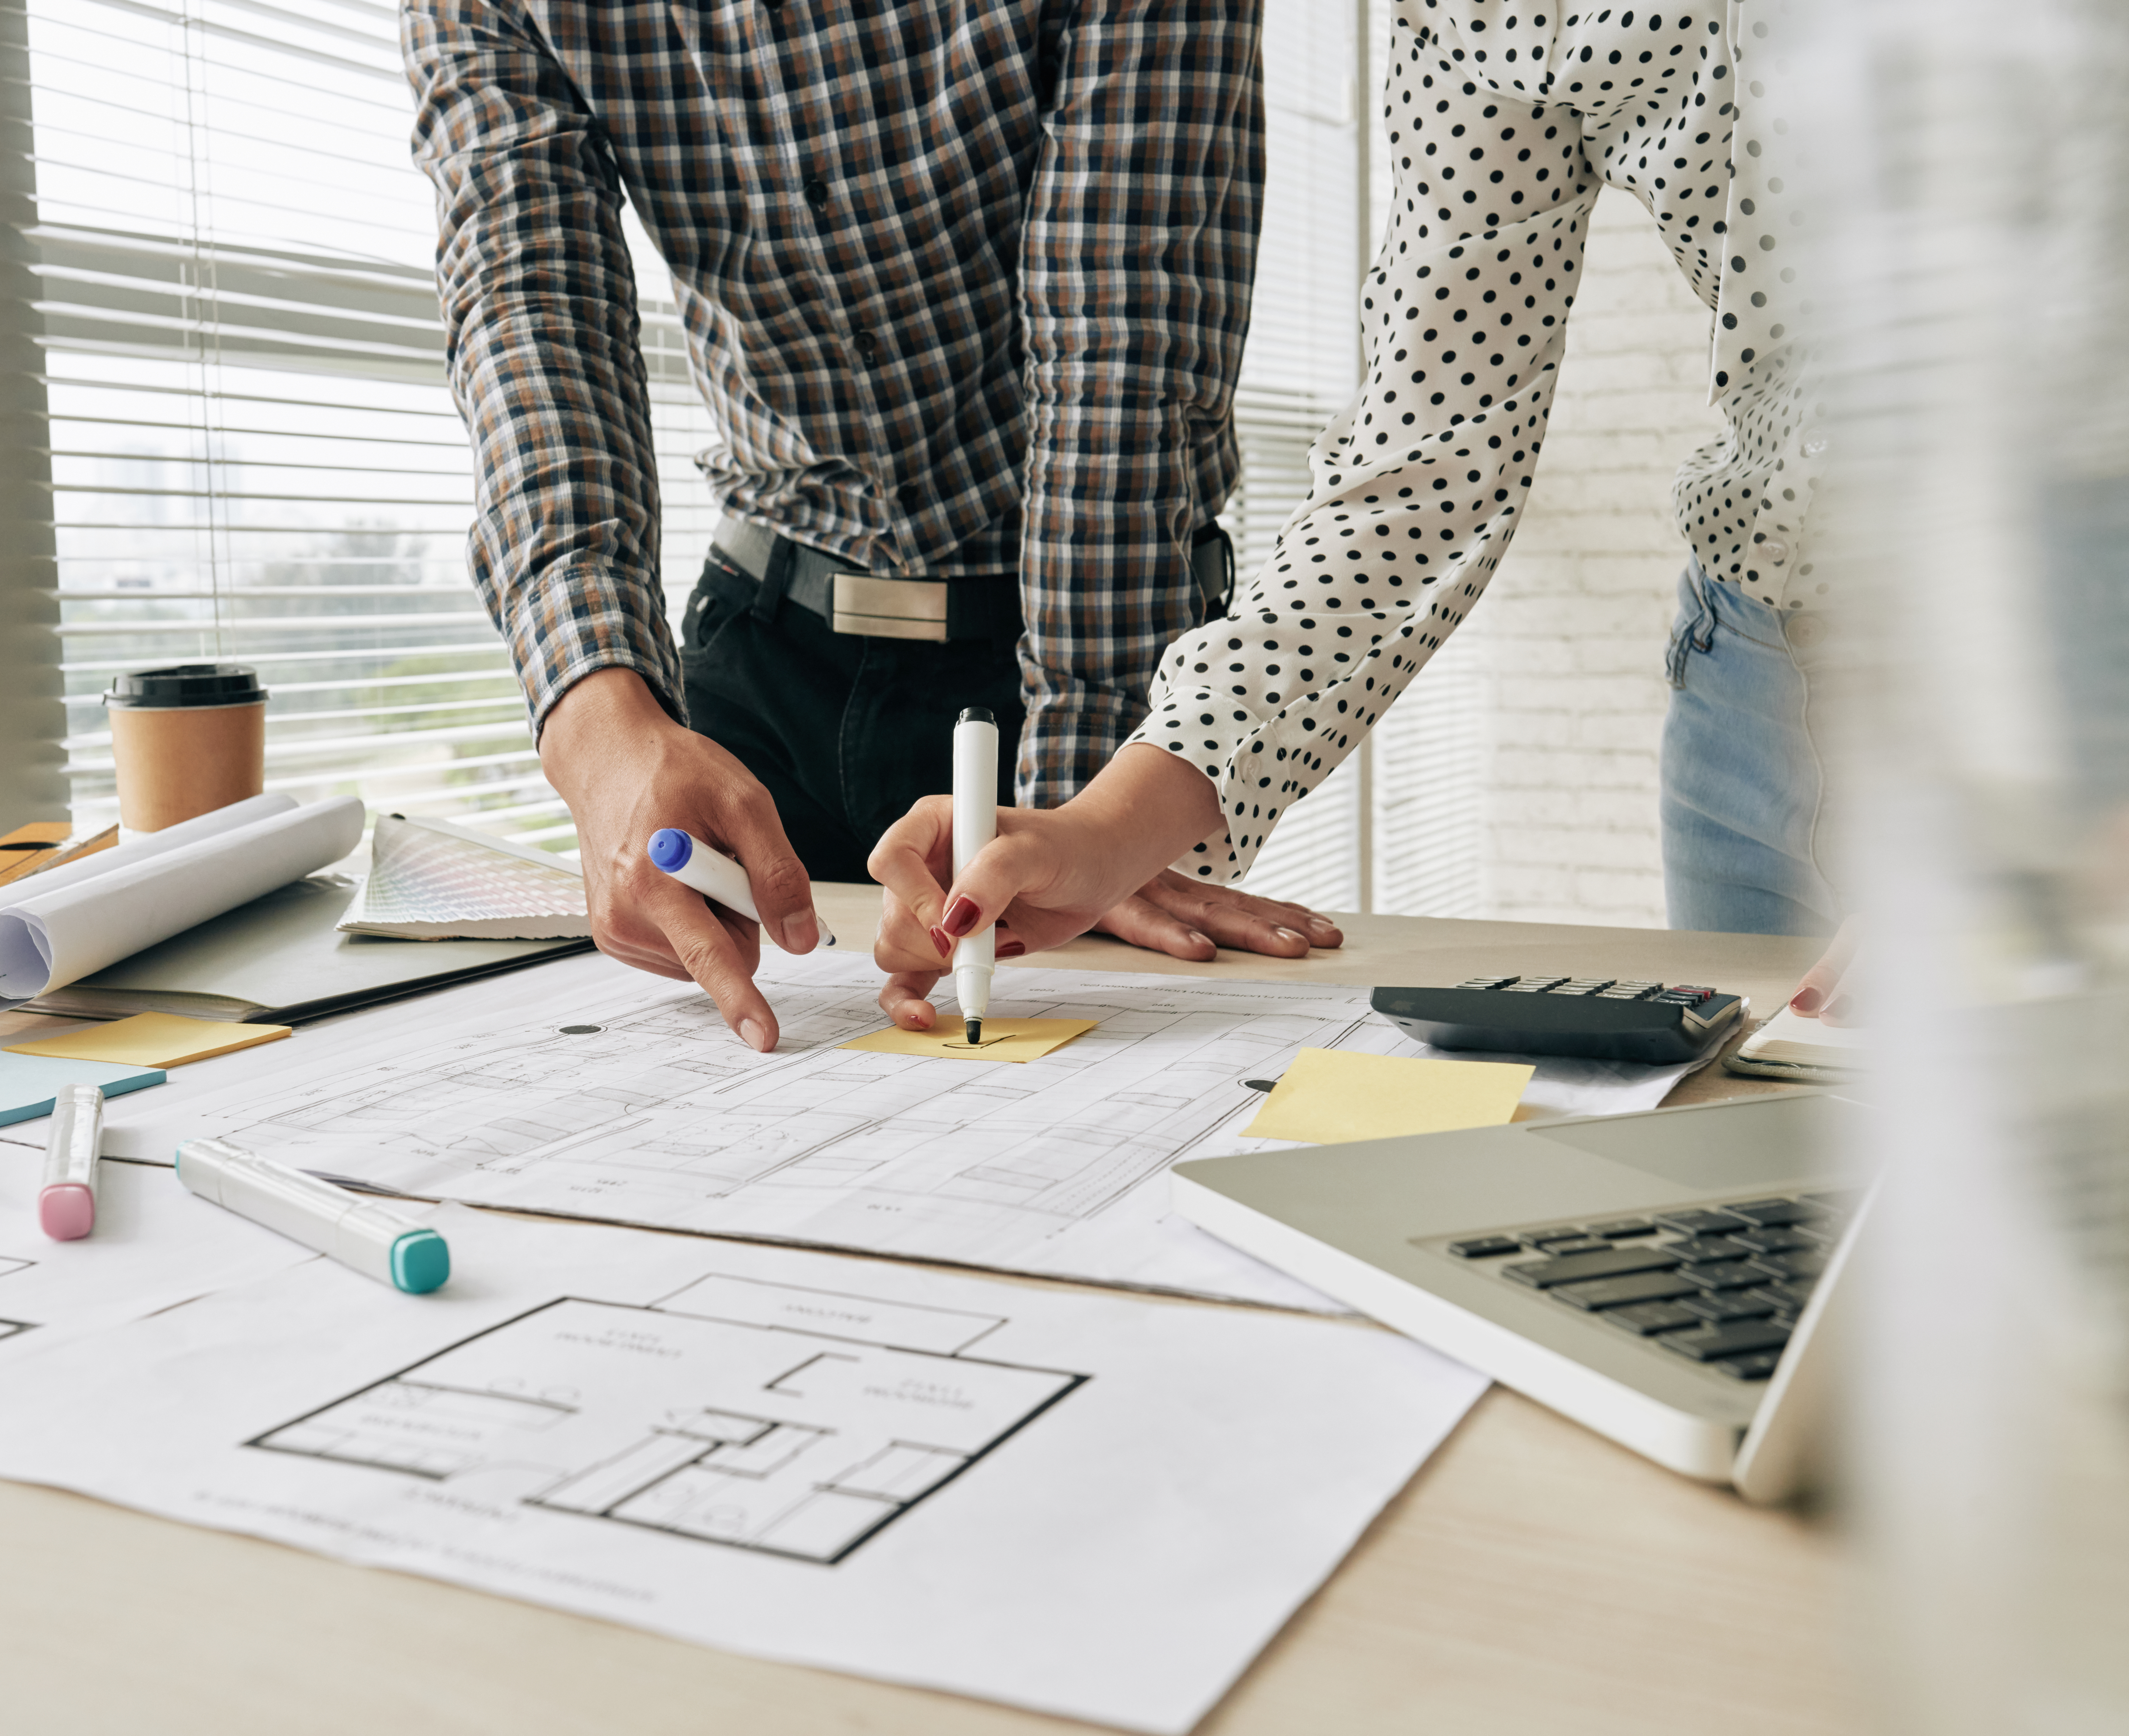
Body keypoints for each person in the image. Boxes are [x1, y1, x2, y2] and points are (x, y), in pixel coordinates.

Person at [868, 0, 1854, 1029]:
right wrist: (1100, 830)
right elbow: (1424, 460)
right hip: (1750, 676)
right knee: (1754, 1167)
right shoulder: (1472, 21)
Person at [402, 0, 1343, 1054]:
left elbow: (1118, 334)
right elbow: (529, 309)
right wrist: (598, 732)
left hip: (1076, 646)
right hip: (760, 651)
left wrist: (1093, 812)